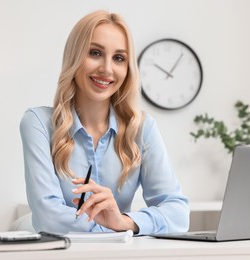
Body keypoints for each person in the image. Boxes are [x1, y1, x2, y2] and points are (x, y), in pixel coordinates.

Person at [20, 10, 189, 235]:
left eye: (119, 58)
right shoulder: (39, 123)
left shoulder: (142, 129)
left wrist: (124, 222)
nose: (107, 69)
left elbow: (178, 213)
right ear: (75, 57)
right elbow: (48, 218)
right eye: (95, 53)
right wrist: (113, 229)